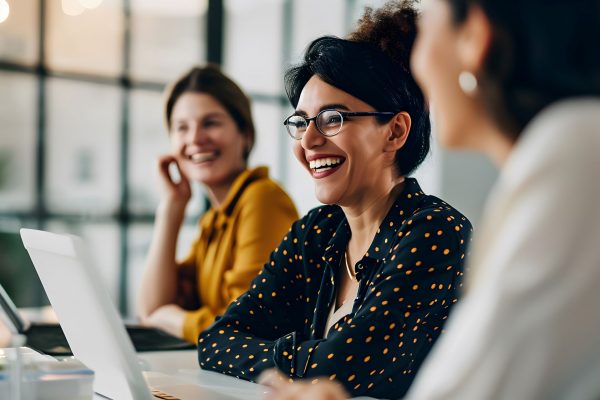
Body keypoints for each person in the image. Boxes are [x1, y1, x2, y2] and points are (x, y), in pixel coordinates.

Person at [263, 0, 600, 399]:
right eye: (302, 122)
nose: (419, 74)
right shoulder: (556, 157)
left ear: (474, 36)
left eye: (423, 38)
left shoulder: (572, 158)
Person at [197, 3, 472, 399]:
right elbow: (217, 340)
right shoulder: (317, 231)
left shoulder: (435, 232)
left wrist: (284, 357)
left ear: (394, 132)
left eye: (332, 119)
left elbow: (338, 372)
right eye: (301, 122)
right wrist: (308, 360)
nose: (308, 141)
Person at [137, 65, 299, 344]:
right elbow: (153, 305)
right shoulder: (216, 218)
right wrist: (171, 208)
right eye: (182, 128)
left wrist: (173, 318)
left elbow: (245, 325)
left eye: (210, 123)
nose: (195, 139)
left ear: (245, 134)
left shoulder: (262, 200)